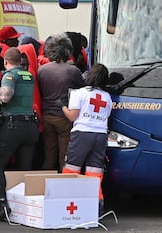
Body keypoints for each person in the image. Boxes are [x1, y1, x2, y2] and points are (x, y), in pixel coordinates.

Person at [0, 47, 39, 221]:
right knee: (24, 167)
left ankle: (0, 205)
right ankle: (22, 208)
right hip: (31, 126)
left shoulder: (10, 75)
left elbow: (5, 96)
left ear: (5, 61)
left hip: (13, 125)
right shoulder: (28, 75)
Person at [57, 63, 113, 215]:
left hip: (82, 134)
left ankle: (65, 203)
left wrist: (62, 106)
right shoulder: (107, 97)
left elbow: (72, 116)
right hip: (101, 136)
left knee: (72, 169)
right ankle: (96, 207)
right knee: (94, 172)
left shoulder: (80, 93)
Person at [37, 33, 85, 172]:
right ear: (68, 50)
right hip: (64, 117)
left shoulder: (42, 70)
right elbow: (81, 89)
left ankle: (45, 185)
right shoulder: (73, 71)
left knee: (49, 154)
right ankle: (64, 186)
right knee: (64, 155)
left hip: (46, 116)